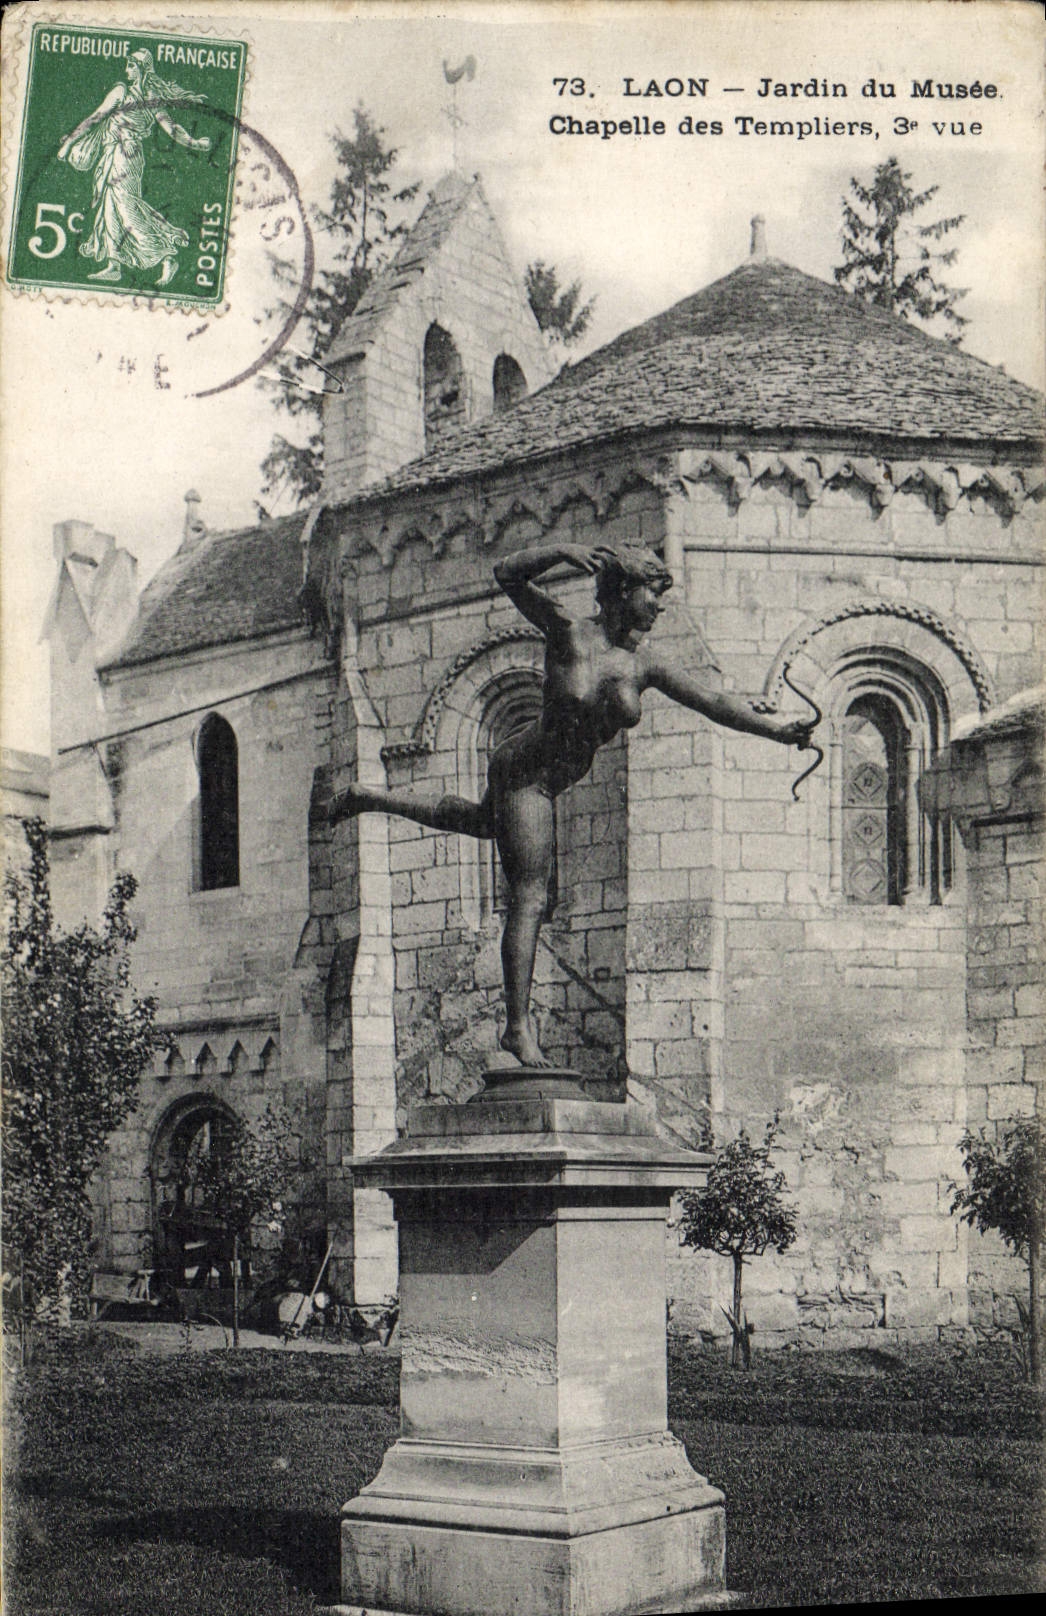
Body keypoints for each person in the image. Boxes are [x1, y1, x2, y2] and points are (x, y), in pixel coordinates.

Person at [330, 543, 816, 1069]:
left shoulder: (644, 664)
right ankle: (517, 1029)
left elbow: (714, 702)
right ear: (623, 590)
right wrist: (559, 552)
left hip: (552, 780)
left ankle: (368, 797)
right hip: (526, 774)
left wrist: (779, 731)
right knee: (531, 897)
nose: (659, 605)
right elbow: (507, 572)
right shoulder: (567, 632)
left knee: (474, 821)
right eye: (652, 592)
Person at [57, 48, 210, 286]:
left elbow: (171, 128)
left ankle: (167, 257)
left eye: (131, 65)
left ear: (141, 68)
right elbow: (96, 117)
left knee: (126, 208)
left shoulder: (138, 94)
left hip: (126, 155)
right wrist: (69, 142)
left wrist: (195, 143)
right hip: (115, 153)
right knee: (110, 207)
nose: (127, 70)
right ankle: (114, 264)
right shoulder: (128, 92)